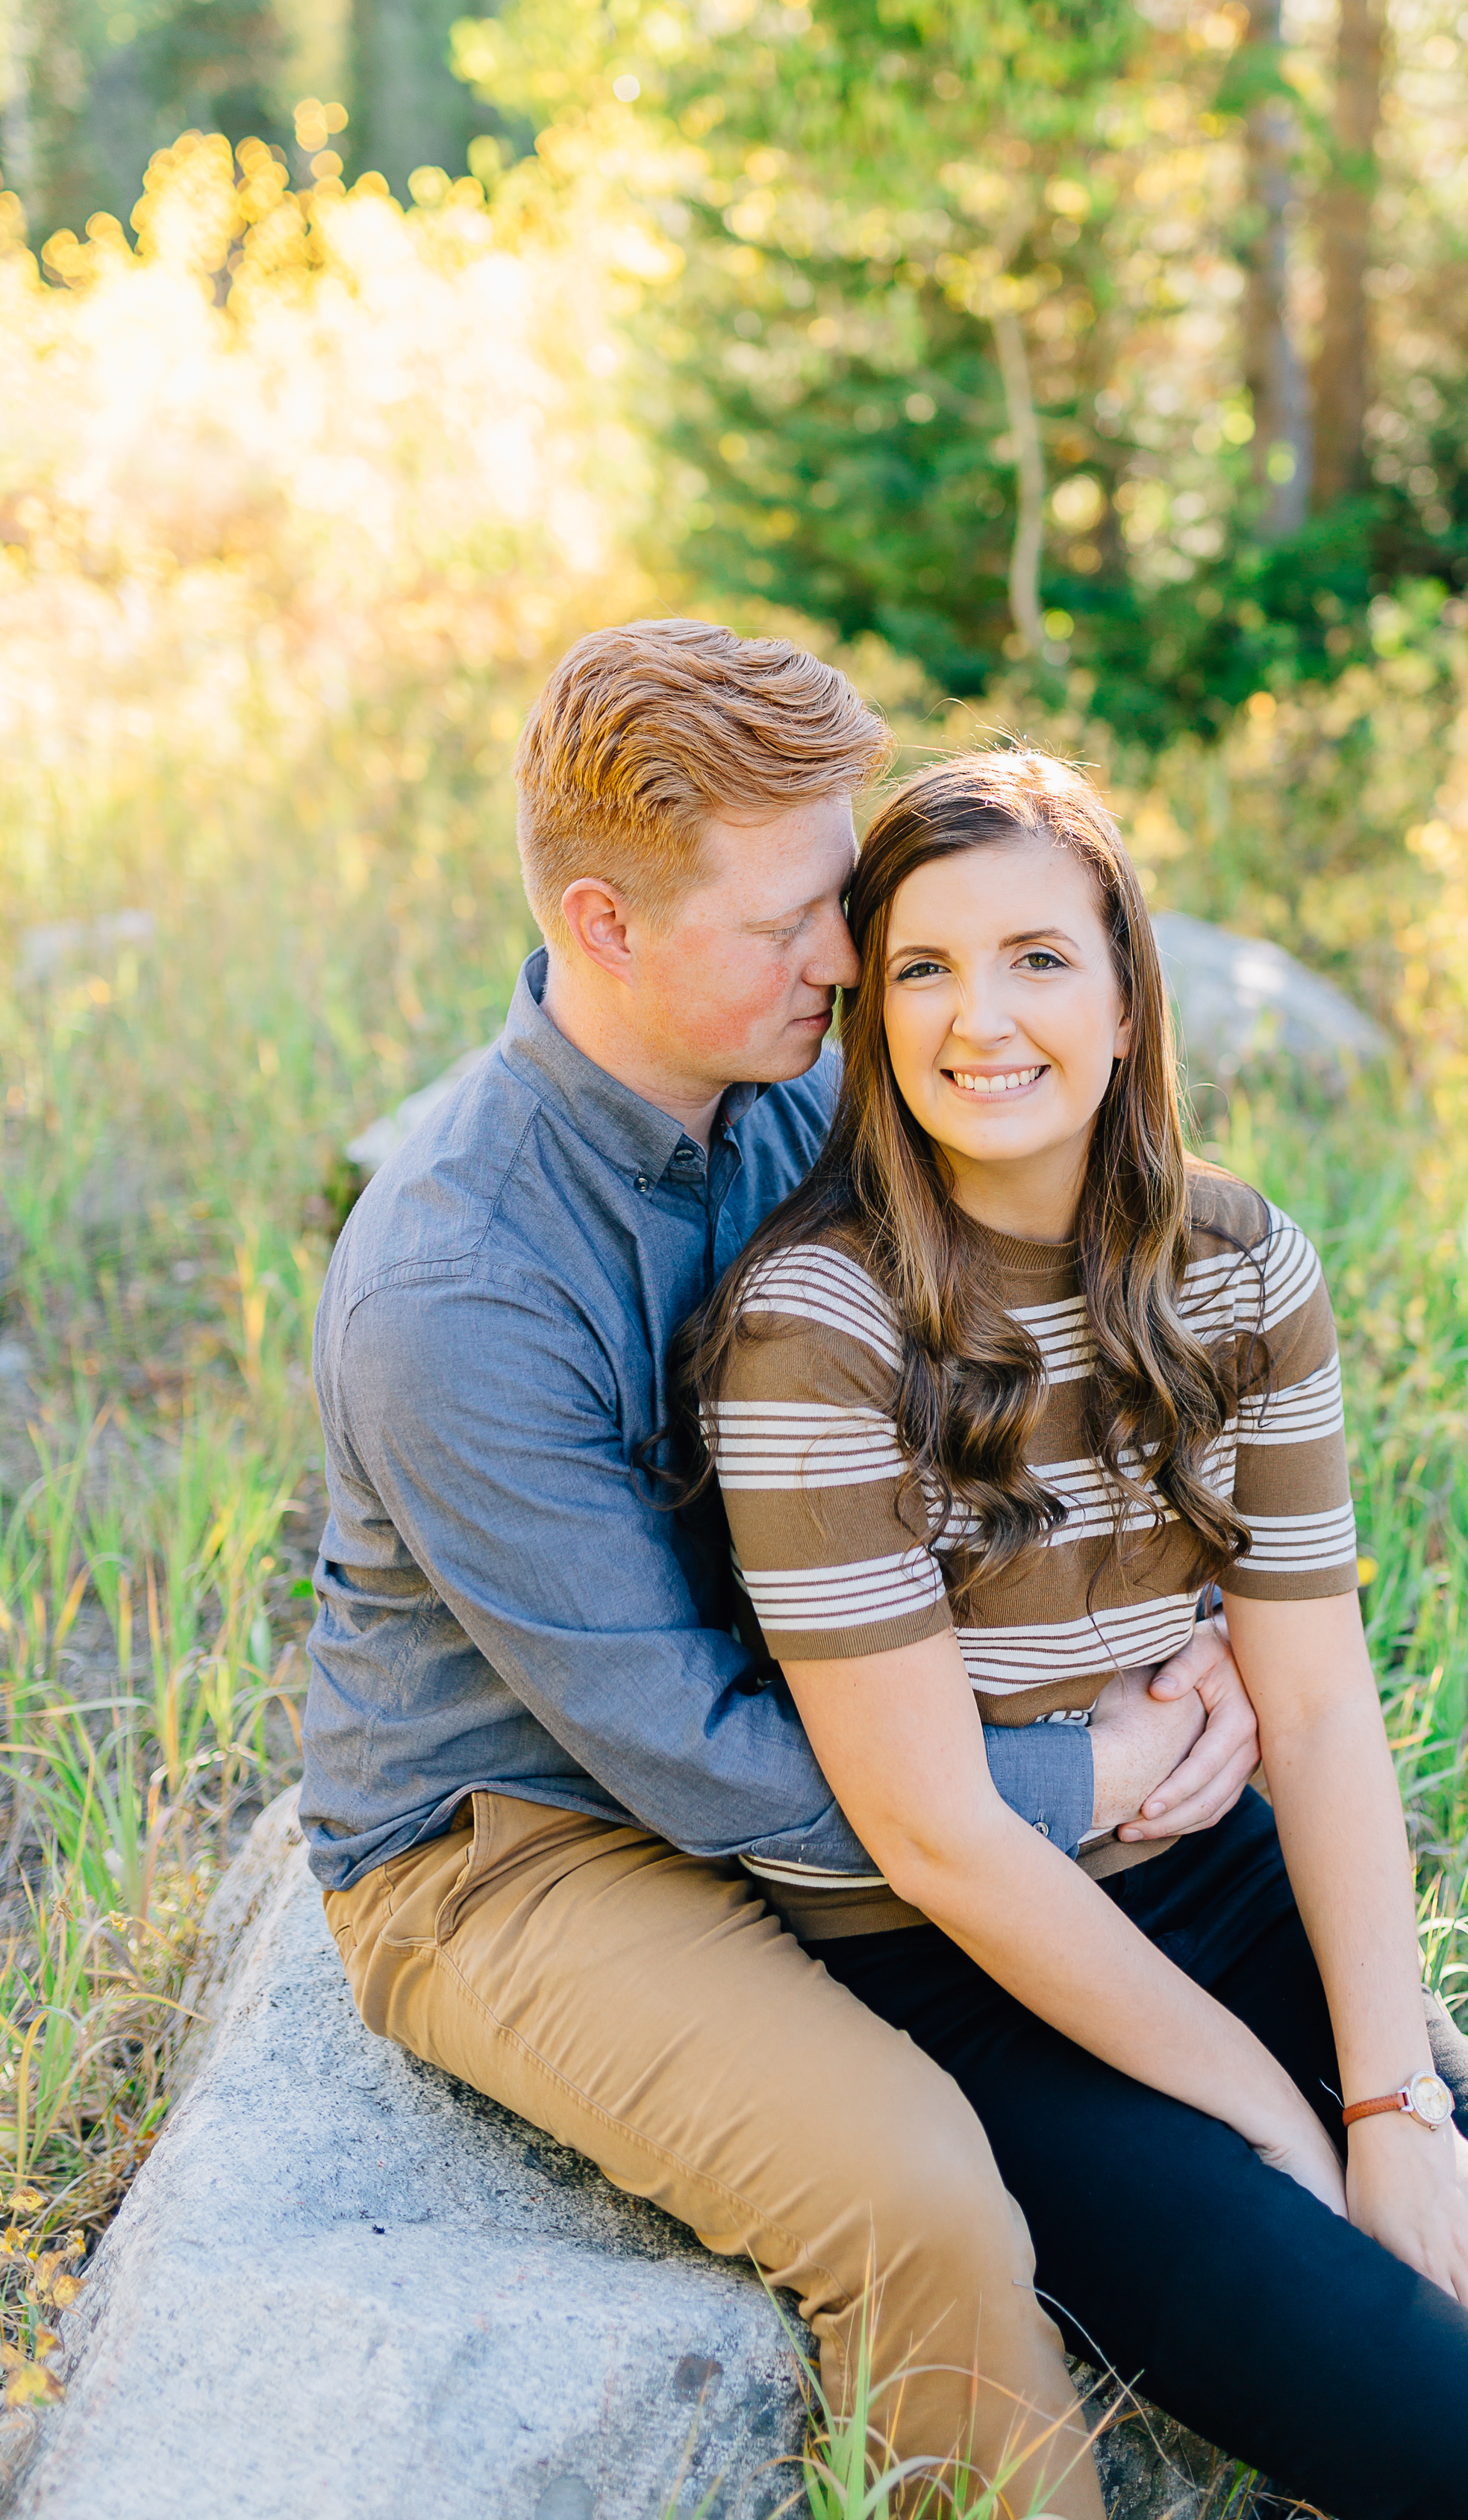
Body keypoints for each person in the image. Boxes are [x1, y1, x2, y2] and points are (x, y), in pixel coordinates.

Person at [687, 749, 1468, 2520]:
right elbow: (936, 1837)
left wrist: (1390, 2104)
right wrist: (1276, 2126)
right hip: (966, 1981)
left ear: (1130, 994)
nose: (978, 1017)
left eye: (1037, 958)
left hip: (1230, 1884)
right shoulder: (811, 1332)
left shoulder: (1237, 1264)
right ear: (871, 1011)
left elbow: (1314, 1700)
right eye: (921, 966)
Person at [302, 620, 1269, 2520]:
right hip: (527, 1836)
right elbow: (673, 1743)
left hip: (841, 1714)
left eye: (841, 898)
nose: (843, 959)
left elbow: (1041, 1338)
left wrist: (1197, 1633)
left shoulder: (789, 1092)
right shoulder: (456, 1283)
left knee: (1227, 1933)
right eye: (786, 926)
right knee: (914, 2190)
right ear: (604, 922)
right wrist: (1073, 1782)